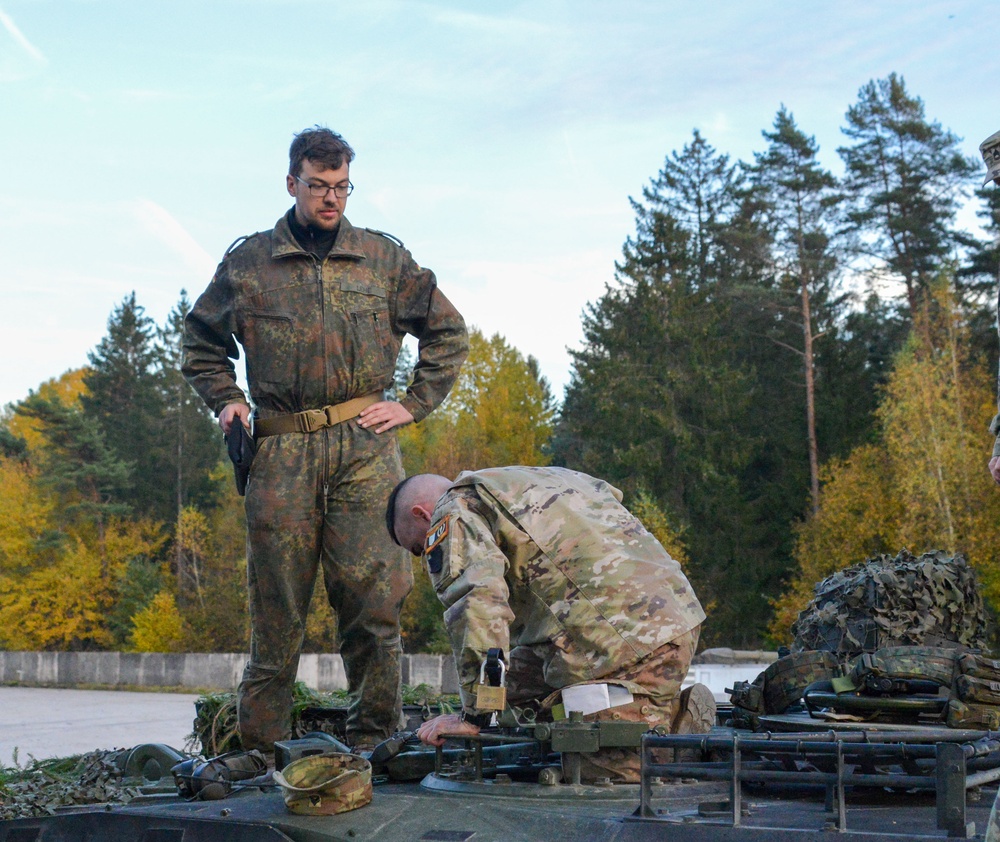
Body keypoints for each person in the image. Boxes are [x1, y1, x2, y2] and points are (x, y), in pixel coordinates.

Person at [182, 127, 468, 753]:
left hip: (365, 447)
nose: (331, 199)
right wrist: (229, 401)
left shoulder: (383, 260)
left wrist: (413, 403)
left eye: (341, 187)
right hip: (281, 449)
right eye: (318, 186)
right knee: (276, 613)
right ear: (293, 184)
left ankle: (374, 747)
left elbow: (448, 334)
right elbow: (201, 343)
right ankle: (260, 755)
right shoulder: (250, 262)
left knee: (374, 605)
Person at [385, 466, 714, 782]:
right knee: (516, 699)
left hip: (622, 643)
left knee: (603, 774)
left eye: (417, 547)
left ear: (421, 514)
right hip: (667, 617)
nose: (423, 554)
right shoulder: (531, 479)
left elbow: (478, 604)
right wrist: (490, 707)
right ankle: (648, 705)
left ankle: (671, 738)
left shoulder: (450, 511)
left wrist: (474, 716)